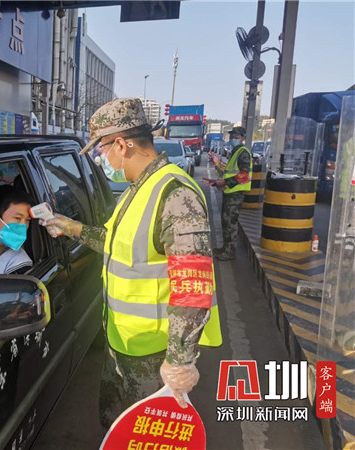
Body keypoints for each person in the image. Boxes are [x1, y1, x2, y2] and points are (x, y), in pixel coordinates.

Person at [42, 98, 222, 430]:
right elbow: (119, 245)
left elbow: (193, 285)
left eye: (102, 149)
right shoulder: (137, 188)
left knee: (146, 435)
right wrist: (73, 228)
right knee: (118, 428)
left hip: (153, 355)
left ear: (122, 144)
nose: (102, 158)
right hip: (123, 341)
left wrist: (179, 361)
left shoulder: (175, 195)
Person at [203, 126, 253, 261]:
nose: (233, 139)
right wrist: (219, 183)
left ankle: (229, 252)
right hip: (230, 191)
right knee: (226, 221)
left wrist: (225, 182)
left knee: (230, 222)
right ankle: (225, 248)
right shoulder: (235, 151)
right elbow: (232, 173)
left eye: (237, 137)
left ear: (243, 138)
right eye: (232, 136)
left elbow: (244, 175)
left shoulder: (243, 152)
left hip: (236, 194)